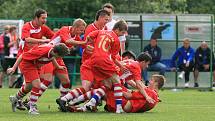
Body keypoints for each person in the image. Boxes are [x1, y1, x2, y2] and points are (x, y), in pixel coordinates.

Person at [8, 43, 70, 115]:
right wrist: (14, 68)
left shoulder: (53, 52)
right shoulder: (41, 51)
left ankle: (15, 98)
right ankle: (32, 108)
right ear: (56, 52)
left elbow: (52, 58)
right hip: (28, 64)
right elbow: (22, 56)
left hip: (36, 65)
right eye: (60, 56)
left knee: (28, 87)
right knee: (37, 85)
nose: (60, 58)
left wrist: (58, 66)